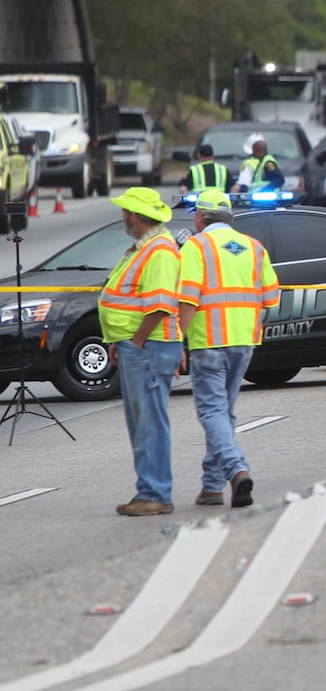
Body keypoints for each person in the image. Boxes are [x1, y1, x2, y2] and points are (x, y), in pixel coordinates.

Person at [177, 188, 280, 508]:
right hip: (244, 341)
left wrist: (179, 341)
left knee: (211, 412)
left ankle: (237, 470)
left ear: (200, 218)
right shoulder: (254, 247)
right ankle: (211, 487)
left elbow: (189, 297)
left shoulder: (196, 245)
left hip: (208, 341)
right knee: (223, 414)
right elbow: (271, 297)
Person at [100, 187, 182, 517]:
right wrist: (118, 339)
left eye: (125, 211)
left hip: (148, 347)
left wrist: (134, 342)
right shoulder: (144, 248)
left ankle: (155, 493)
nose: (122, 216)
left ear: (135, 215)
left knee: (148, 423)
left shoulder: (159, 251)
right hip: (141, 346)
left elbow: (160, 306)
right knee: (143, 422)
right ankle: (149, 490)